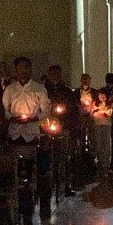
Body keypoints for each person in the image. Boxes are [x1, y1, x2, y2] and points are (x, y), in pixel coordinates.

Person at [2, 57, 52, 225]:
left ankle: (31, 206)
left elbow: (46, 110)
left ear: (30, 69)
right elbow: (5, 109)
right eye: (19, 68)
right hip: (15, 134)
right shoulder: (10, 89)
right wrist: (13, 118)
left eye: (26, 68)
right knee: (18, 172)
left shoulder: (39, 88)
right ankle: (21, 207)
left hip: (31, 134)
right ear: (15, 71)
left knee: (30, 172)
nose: (23, 71)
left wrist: (33, 118)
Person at [45, 65, 80, 195]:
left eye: (57, 74)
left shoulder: (67, 91)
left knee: (64, 157)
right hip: (47, 129)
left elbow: (74, 109)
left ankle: (65, 184)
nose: (55, 76)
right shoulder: (44, 90)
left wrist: (71, 125)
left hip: (64, 127)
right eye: (52, 74)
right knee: (49, 157)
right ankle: (50, 184)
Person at [92, 88, 113, 175]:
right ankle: (100, 160)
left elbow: (110, 113)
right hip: (97, 124)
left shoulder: (109, 104)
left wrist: (106, 113)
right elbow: (92, 112)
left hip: (106, 124)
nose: (102, 97)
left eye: (104, 96)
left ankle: (106, 162)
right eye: (101, 95)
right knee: (99, 142)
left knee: (106, 142)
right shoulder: (95, 104)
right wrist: (96, 112)